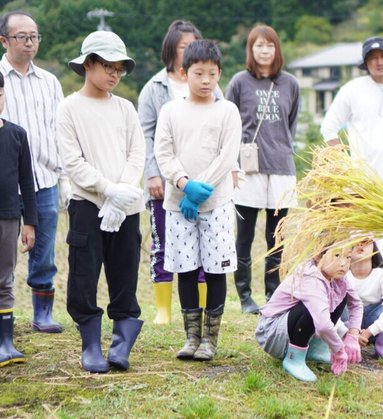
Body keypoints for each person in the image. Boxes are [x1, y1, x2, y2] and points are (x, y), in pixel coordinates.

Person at [58, 31, 145, 373]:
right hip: (86, 205)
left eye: (119, 69)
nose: (114, 74)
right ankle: (91, 344)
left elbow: (137, 153)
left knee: (124, 272)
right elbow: (73, 162)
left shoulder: (125, 108)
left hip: (127, 206)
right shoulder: (69, 108)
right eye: (107, 66)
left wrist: (121, 195)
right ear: (88, 65)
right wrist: (107, 191)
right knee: (84, 274)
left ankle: (122, 342)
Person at [155, 39, 241, 362]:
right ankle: (191, 337)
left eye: (212, 73)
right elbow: (163, 151)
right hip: (178, 204)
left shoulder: (227, 111)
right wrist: (182, 184)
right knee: (186, 269)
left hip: (216, 203)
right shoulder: (171, 111)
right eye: (199, 73)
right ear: (183, 72)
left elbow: (227, 155)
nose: (206, 80)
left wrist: (200, 187)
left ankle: (210, 339)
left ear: (220, 73)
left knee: (215, 270)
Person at [320, 36, 383, 299]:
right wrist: (342, 164)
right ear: (366, 63)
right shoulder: (352, 89)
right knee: (362, 236)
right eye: (373, 58)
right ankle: (358, 287)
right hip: (363, 178)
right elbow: (329, 127)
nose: (379, 62)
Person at [138, 20, 213, 325]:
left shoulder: (211, 85)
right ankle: (163, 309)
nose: (189, 52)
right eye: (183, 47)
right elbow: (146, 134)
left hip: (204, 180)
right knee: (164, 244)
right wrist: (153, 174)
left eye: (193, 45)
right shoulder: (155, 88)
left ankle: (204, 307)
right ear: (171, 50)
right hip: (167, 181)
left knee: (206, 244)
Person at [226, 24, 300, 313]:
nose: (265, 50)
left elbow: (290, 124)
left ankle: (273, 294)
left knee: (276, 237)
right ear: (251, 49)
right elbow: (229, 126)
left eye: (269, 45)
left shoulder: (290, 84)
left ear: (276, 49)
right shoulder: (239, 83)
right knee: (244, 236)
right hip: (248, 171)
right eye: (259, 45)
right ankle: (245, 296)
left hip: (281, 169)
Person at [0, 10, 65, 333]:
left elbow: (59, 128)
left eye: (34, 36)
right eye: (22, 37)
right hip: (6, 183)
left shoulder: (49, 82)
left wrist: (62, 169)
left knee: (45, 249)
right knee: (3, 250)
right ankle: (5, 312)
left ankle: (42, 314)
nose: (29, 43)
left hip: (44, 177)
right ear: (3, 40)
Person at [255, 244, 363, 382]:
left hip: (290, 328)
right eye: (337, 255)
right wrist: (339, 350)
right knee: (311, 307)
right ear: (318, 256)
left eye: (348, 257)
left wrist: (353, 336)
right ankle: (294, 358)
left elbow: (356, 304)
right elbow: (323, 325)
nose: (343, 263)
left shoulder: (338, 275)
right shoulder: (310, 277)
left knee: (340, 295)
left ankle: (315, 349)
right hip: (273, 333)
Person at [0, 71, 36, 367]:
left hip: (9, 217)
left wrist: (29, 222)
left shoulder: (16, 134)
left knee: (4, 278)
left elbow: (27, 180)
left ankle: (6, 343)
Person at [346, 237, 383, 363]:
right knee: (337, 307)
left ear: (375, 249)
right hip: (348, 322)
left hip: (372, 321)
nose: (361, 244)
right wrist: (350, 333)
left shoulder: (381, 275)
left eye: (367, 241)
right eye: (356, 241)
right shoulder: (343, 274)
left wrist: (368, 332)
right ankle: (341, 344)